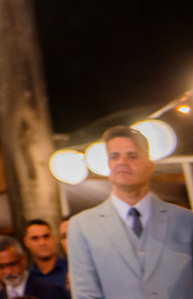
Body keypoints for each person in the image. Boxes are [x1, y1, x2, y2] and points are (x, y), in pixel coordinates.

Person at [67, 125, 193, 299]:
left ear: (150, 165)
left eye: (132, 156)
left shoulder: (186, 220)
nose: (122, 162)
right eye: (114, 156)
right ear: (108, 165)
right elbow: (85, 293)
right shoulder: (82, 226)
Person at [0, 236, 66, 299]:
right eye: (1, 266)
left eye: (12, 264)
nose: (8, 272)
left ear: (23, 259)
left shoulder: (52, 292)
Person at [23, 219, 67, 295]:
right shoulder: (26, 279)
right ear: (26, 242)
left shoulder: (71, 269)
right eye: (35, 238)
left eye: (46, 236)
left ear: (54, 238)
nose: (42, 243)